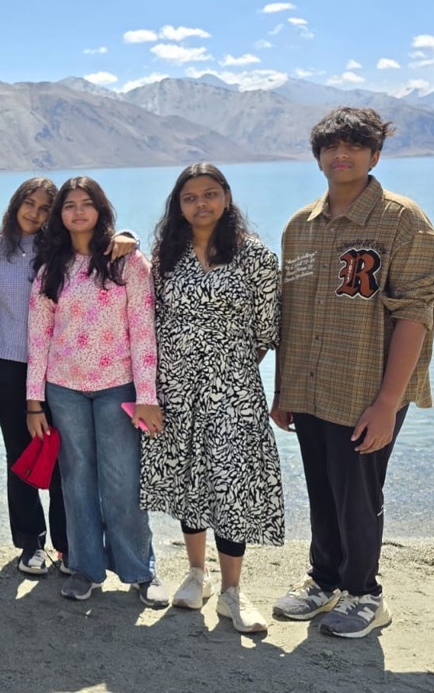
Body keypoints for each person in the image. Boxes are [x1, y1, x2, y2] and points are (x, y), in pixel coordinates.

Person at [270, 107, 434, 638]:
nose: (340, 155)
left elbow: (415, 313)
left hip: (367, 389)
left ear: (375, 155)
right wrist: (283, 390)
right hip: (310, 386)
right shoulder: (299, 227)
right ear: (318, 157)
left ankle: (366, 594)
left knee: (358, 496)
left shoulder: (401, 220)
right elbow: (290, 315)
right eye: (331, 147)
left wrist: (387, 403)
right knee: (322, 490)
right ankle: (324, 581)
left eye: (353, 146)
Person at [141, 163, 283, 633]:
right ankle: (195, 574)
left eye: (209, 194)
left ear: (226, 197)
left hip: (233, 389)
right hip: (176, 388)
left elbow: (267, 328)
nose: (200, 203)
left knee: (231, 481)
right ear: (178, 206)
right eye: (190, 197)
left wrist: (227, 365)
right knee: (189, 476)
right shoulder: (165, 256)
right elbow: (150, 320)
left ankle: (232, 592)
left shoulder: (253, 255)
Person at [26, 176, 167, 608]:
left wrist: (148, 396)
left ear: (101, 209)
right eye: (69, 205)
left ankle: (140, 570)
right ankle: (86, 568)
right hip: (64, 389)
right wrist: (34, 401)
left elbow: (143, 331)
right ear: (60, 215)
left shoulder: (128, 263)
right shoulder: (51, 270)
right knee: (76, 482)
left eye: (86, 203)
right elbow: (38, 337)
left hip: (117, 387)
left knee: (123, 480)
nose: (78, 211)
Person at [0, 178, 137, 575]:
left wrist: (129, 236)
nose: (34, 213)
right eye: (28, 203)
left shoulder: (56, 248)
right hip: (5, 366)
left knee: (63, 458)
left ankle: (68, 545)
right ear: (15, 203)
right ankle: (30, 543)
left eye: (44, 208)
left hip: (56, 369)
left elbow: (99, 248)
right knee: (20, 453)